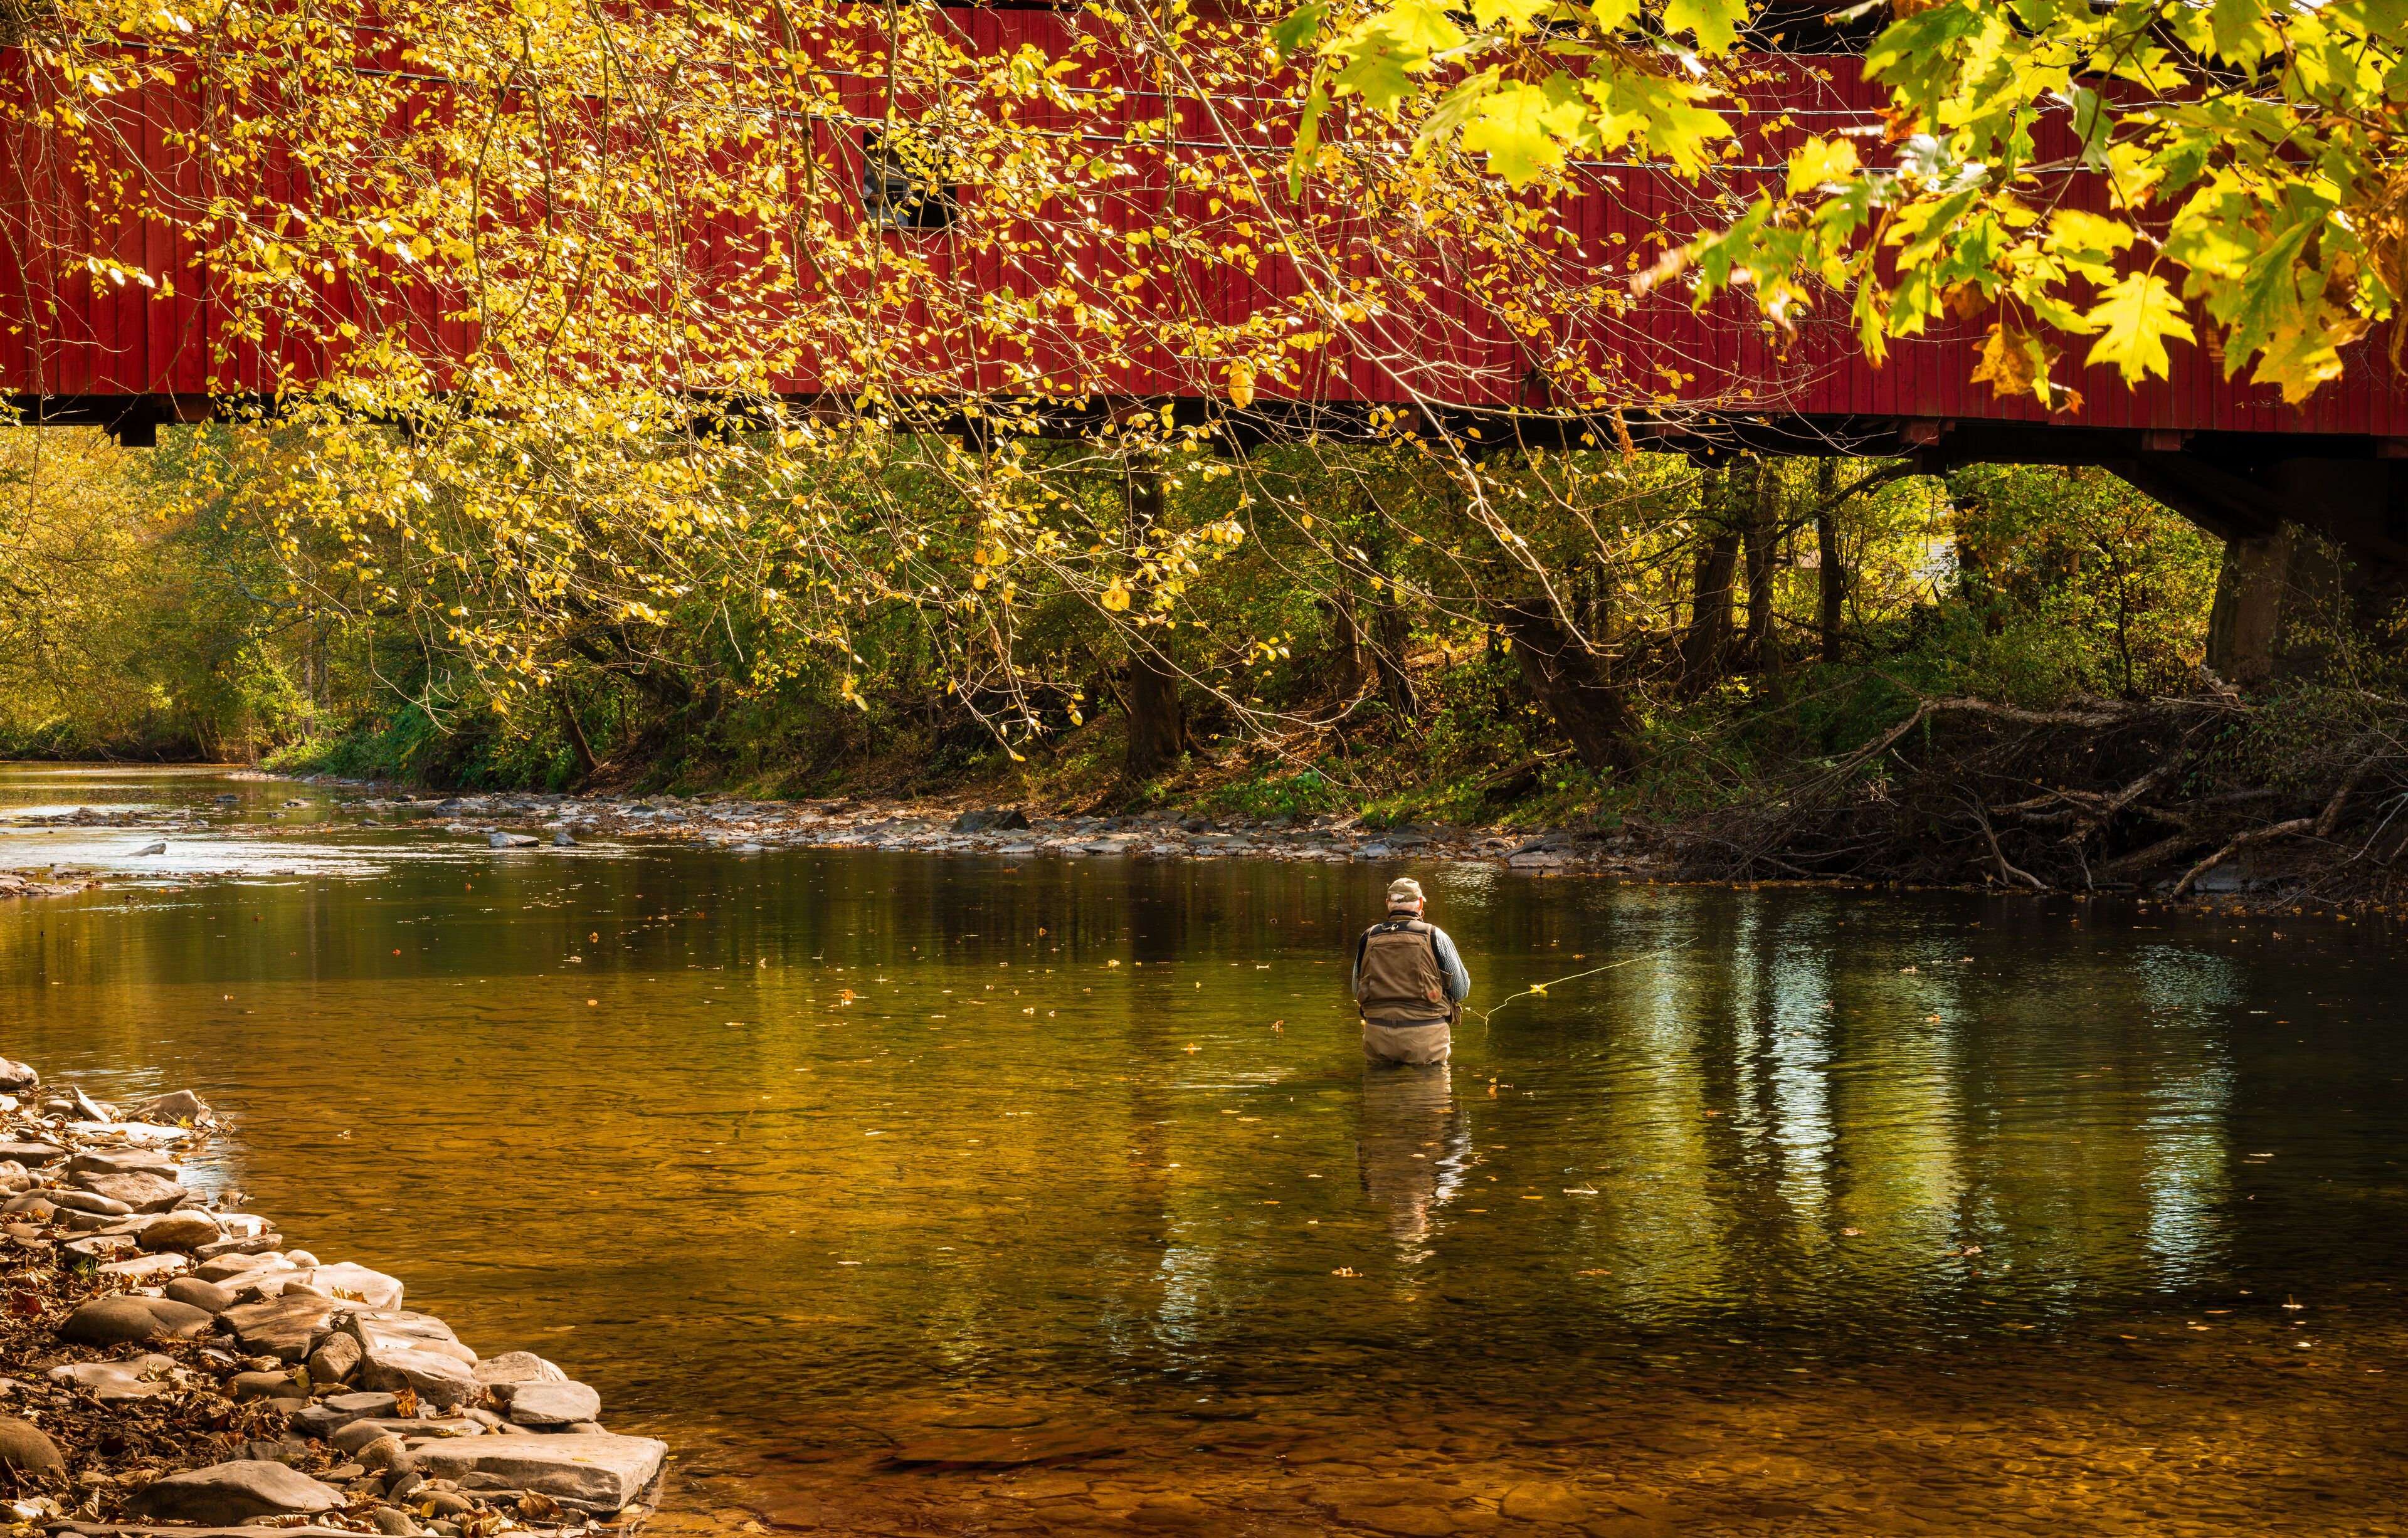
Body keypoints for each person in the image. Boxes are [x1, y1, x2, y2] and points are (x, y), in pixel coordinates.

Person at [1350, 877, 1471, 1065]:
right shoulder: (1435, 936)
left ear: (1388, 903)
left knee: (1379, 1091)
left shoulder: (1368, 937)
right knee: (1428, 1093)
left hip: (1378, 1037)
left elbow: (1356, 990)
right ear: (1420, 903)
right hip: (1427, 1039)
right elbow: (1461, 991)